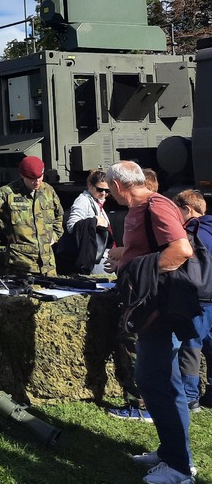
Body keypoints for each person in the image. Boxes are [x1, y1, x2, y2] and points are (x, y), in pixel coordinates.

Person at [105, 161, 195, 484]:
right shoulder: (139, 208)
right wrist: (124, 256)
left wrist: (139, 269)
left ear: (117, 186)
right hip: (149, 312)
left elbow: (180, 250)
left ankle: (179, 469)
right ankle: (172, 452)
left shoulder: (155, 206)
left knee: (157, 383)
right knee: (159, 383)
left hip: (159, 311)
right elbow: (148, 250)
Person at [0, 155, 63, 277]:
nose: (36, 182)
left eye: (39, 177)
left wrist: (54, 235)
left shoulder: (48, 190)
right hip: (21, 264)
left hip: (48, 265)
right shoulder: (8, 192)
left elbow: (58, 215)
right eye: (31, 178)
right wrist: (3, 225)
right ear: (22, 175)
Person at [171, 190, 212, 413]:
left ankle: (189, 395)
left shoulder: (190, 232)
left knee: (191, 346)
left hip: (199, 298)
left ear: (187, 209)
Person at [57, 169, 113, 275]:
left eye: (107, 191)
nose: (104, 194)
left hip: (100, 254)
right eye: (100, 189)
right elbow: (72, 225)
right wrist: (94, 221)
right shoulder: (83, 201)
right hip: (92, 256)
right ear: (90, 186)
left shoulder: (96, 201)